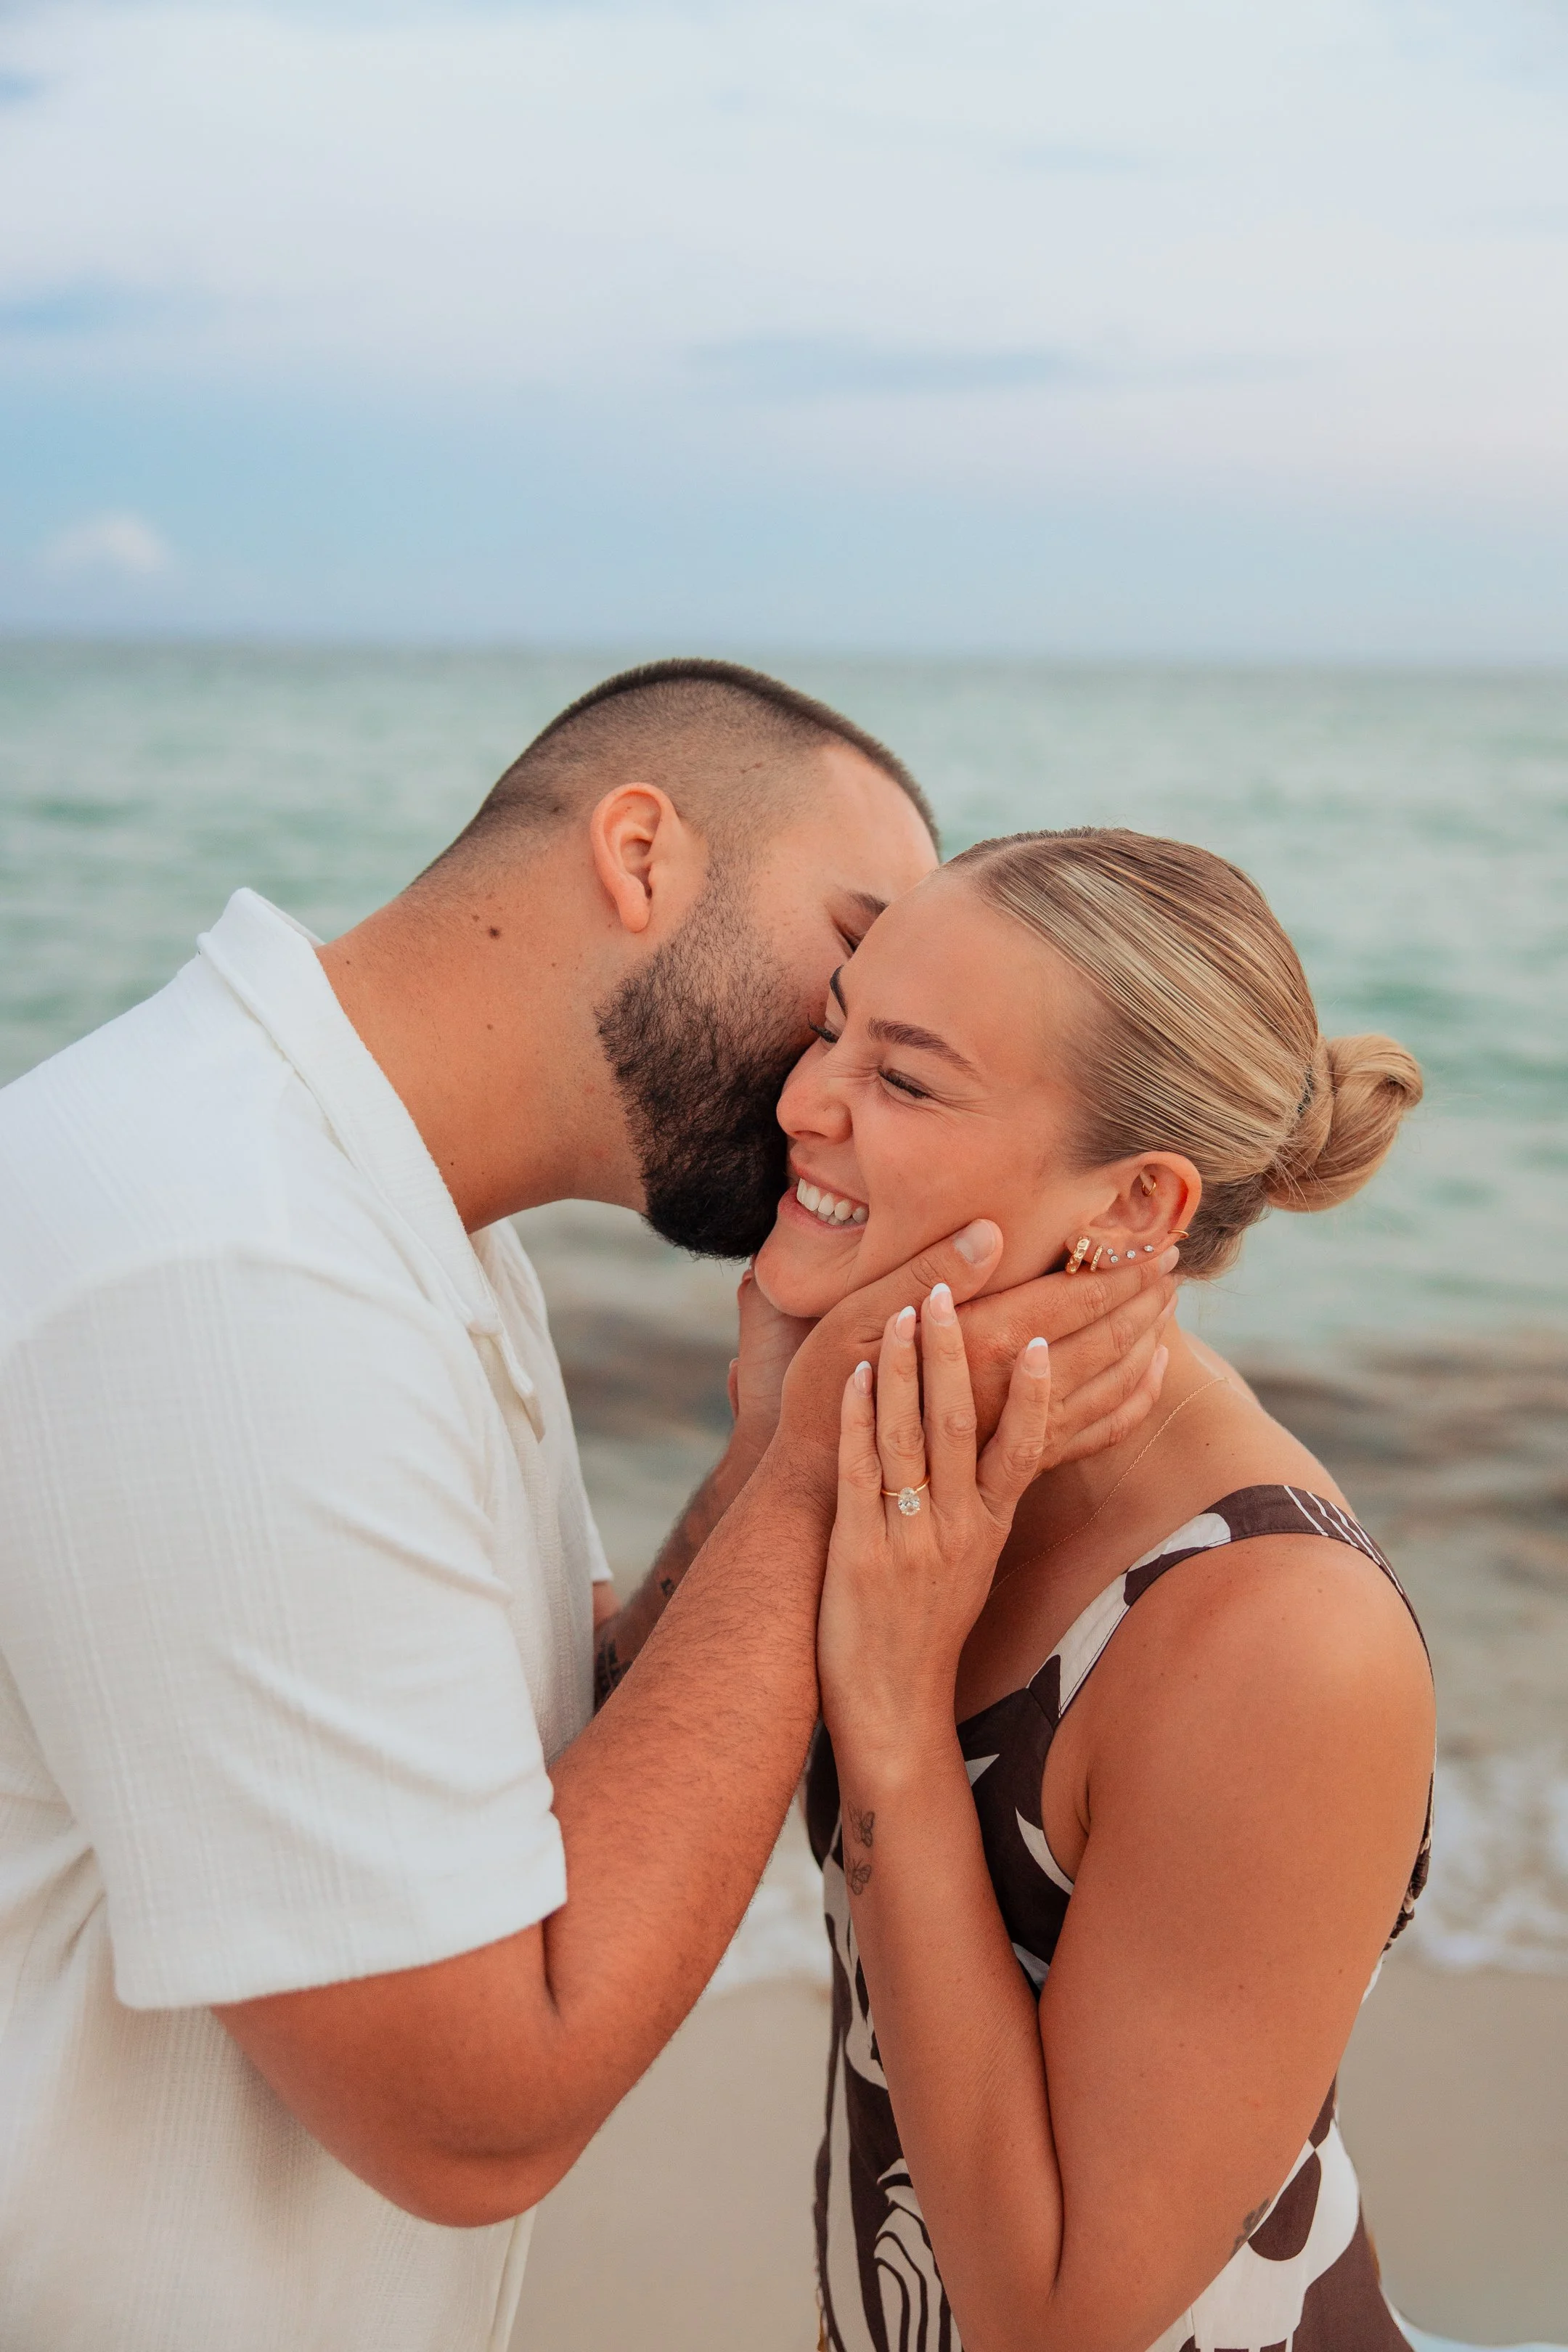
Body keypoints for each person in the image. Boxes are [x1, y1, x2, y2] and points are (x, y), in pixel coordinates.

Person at [0, 663, 1172, 2352]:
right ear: (640, 854)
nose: (823, 1086)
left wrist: (770, 1449)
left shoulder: (385, 1212)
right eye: (846, 974)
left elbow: (516, 1809)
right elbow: (478, 2112)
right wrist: (825, 1477)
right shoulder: (223, 1265)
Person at [740, 828, 1434, 2351]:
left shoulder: (1275, 1633)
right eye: (833, 1025)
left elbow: (1058, 2322)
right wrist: (767, 1449)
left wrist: (902, 1727)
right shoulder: (929, 1447)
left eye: (907, 1079)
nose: (805, 1102)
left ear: (1133, 1206)